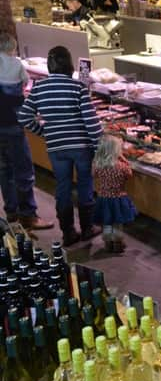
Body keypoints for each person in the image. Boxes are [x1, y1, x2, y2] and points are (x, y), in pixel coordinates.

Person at [18, 46, 103, 246]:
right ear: (69, 64)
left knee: (63, 187)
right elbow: (91, 122)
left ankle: (68, 233)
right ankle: (87, 228)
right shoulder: (78, 88)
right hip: (81, 146)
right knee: (84, 185)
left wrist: (45, 133)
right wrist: (99, 146)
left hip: (56, 147)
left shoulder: (39, 87)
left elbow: (23, 116)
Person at [0, 33, 53, 230]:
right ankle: (29, 215)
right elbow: (24, 85)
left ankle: (11, 211)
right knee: (23, 172)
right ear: (12, 48)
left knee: (4, 170)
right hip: (14, 125)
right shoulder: (16, 64)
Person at [92, 135, 137, 254]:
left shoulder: (99, 165)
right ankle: (118, 244)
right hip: (118, 198)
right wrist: (125, 160)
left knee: (106, 222)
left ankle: (107, 243)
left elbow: (93, 174)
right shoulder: (121, 166)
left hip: (103, 198)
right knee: (117, 223)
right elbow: (129, 174)